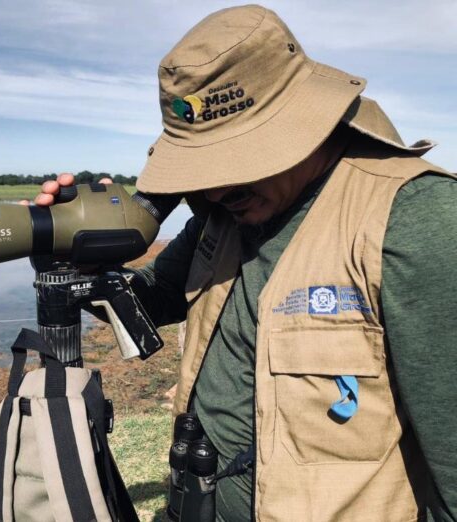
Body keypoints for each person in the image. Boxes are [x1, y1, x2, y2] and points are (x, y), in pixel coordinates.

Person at [32, 5, 456, 521]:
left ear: (304, 122)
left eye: (235, 161)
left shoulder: (415, 219)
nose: (213, 187)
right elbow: (150, 299)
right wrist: (69, 262)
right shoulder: (225, 215)